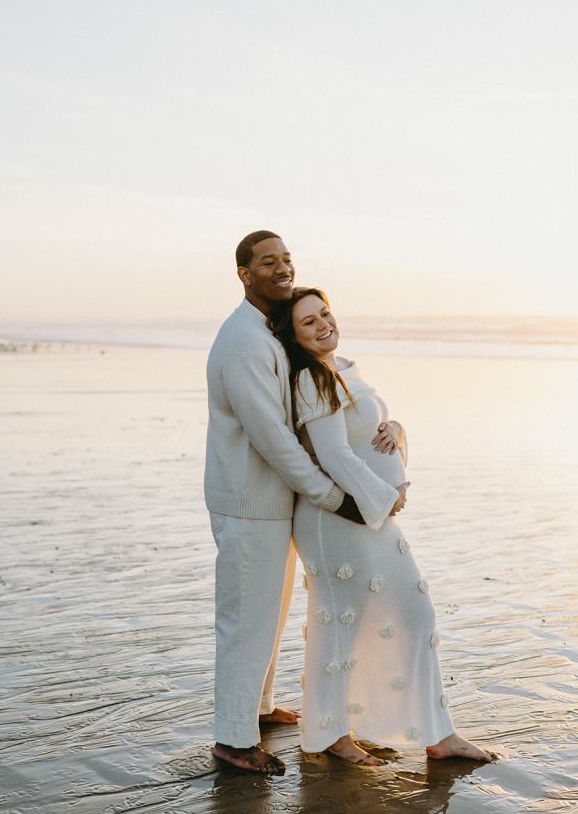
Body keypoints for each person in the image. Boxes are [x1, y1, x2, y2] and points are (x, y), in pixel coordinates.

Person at [204, 232, 405, 775]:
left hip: (273, 501)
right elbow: (273, 439)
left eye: (286, 259)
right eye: (267, 262)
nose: (281, 268)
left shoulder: (267, 331)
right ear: (244, 274)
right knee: (246, 619)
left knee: (268, 612)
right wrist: (332, 496)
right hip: (249, 501)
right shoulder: (244, 343)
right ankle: (233, 740)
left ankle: (258, 708)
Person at [269, 287, 497, 765]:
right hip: (336, 520)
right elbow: (334, 455)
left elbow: (370, 433)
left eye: (325, 313)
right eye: (309, 322)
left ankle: (439, 734)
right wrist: (385, 496)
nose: (323, 324)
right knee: (341, 626)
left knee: (415, 615)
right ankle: (331, 734)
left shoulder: (343, 367)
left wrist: (396, 431)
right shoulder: (310, 379)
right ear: (294, 336)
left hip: (370, 513)